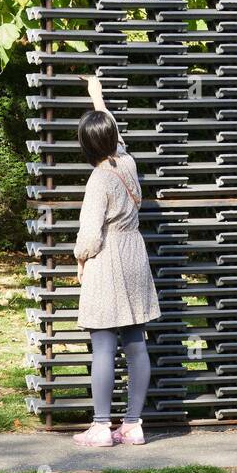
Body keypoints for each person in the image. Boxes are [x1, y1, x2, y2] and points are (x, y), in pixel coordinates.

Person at [71, 75, 159, 447]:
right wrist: (97, 96)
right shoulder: (127, 163)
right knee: (136, 341)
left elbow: (89, 237)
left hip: (107, 260)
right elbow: (113, 132)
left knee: (104, 345)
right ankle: (133, 425)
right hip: (134, 255)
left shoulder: (98, 180)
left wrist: (79, 261)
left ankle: (101, 426)